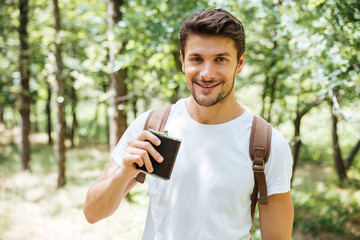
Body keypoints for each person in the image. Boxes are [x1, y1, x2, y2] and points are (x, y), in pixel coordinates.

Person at [84, 8, 294, 240]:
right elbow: (92, 213)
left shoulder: (267, 144)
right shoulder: (153, 126)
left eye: (220, 59)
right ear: (183, 61)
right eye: (197, 59)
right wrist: (124, 173)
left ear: (240, 63)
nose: (207, 73)